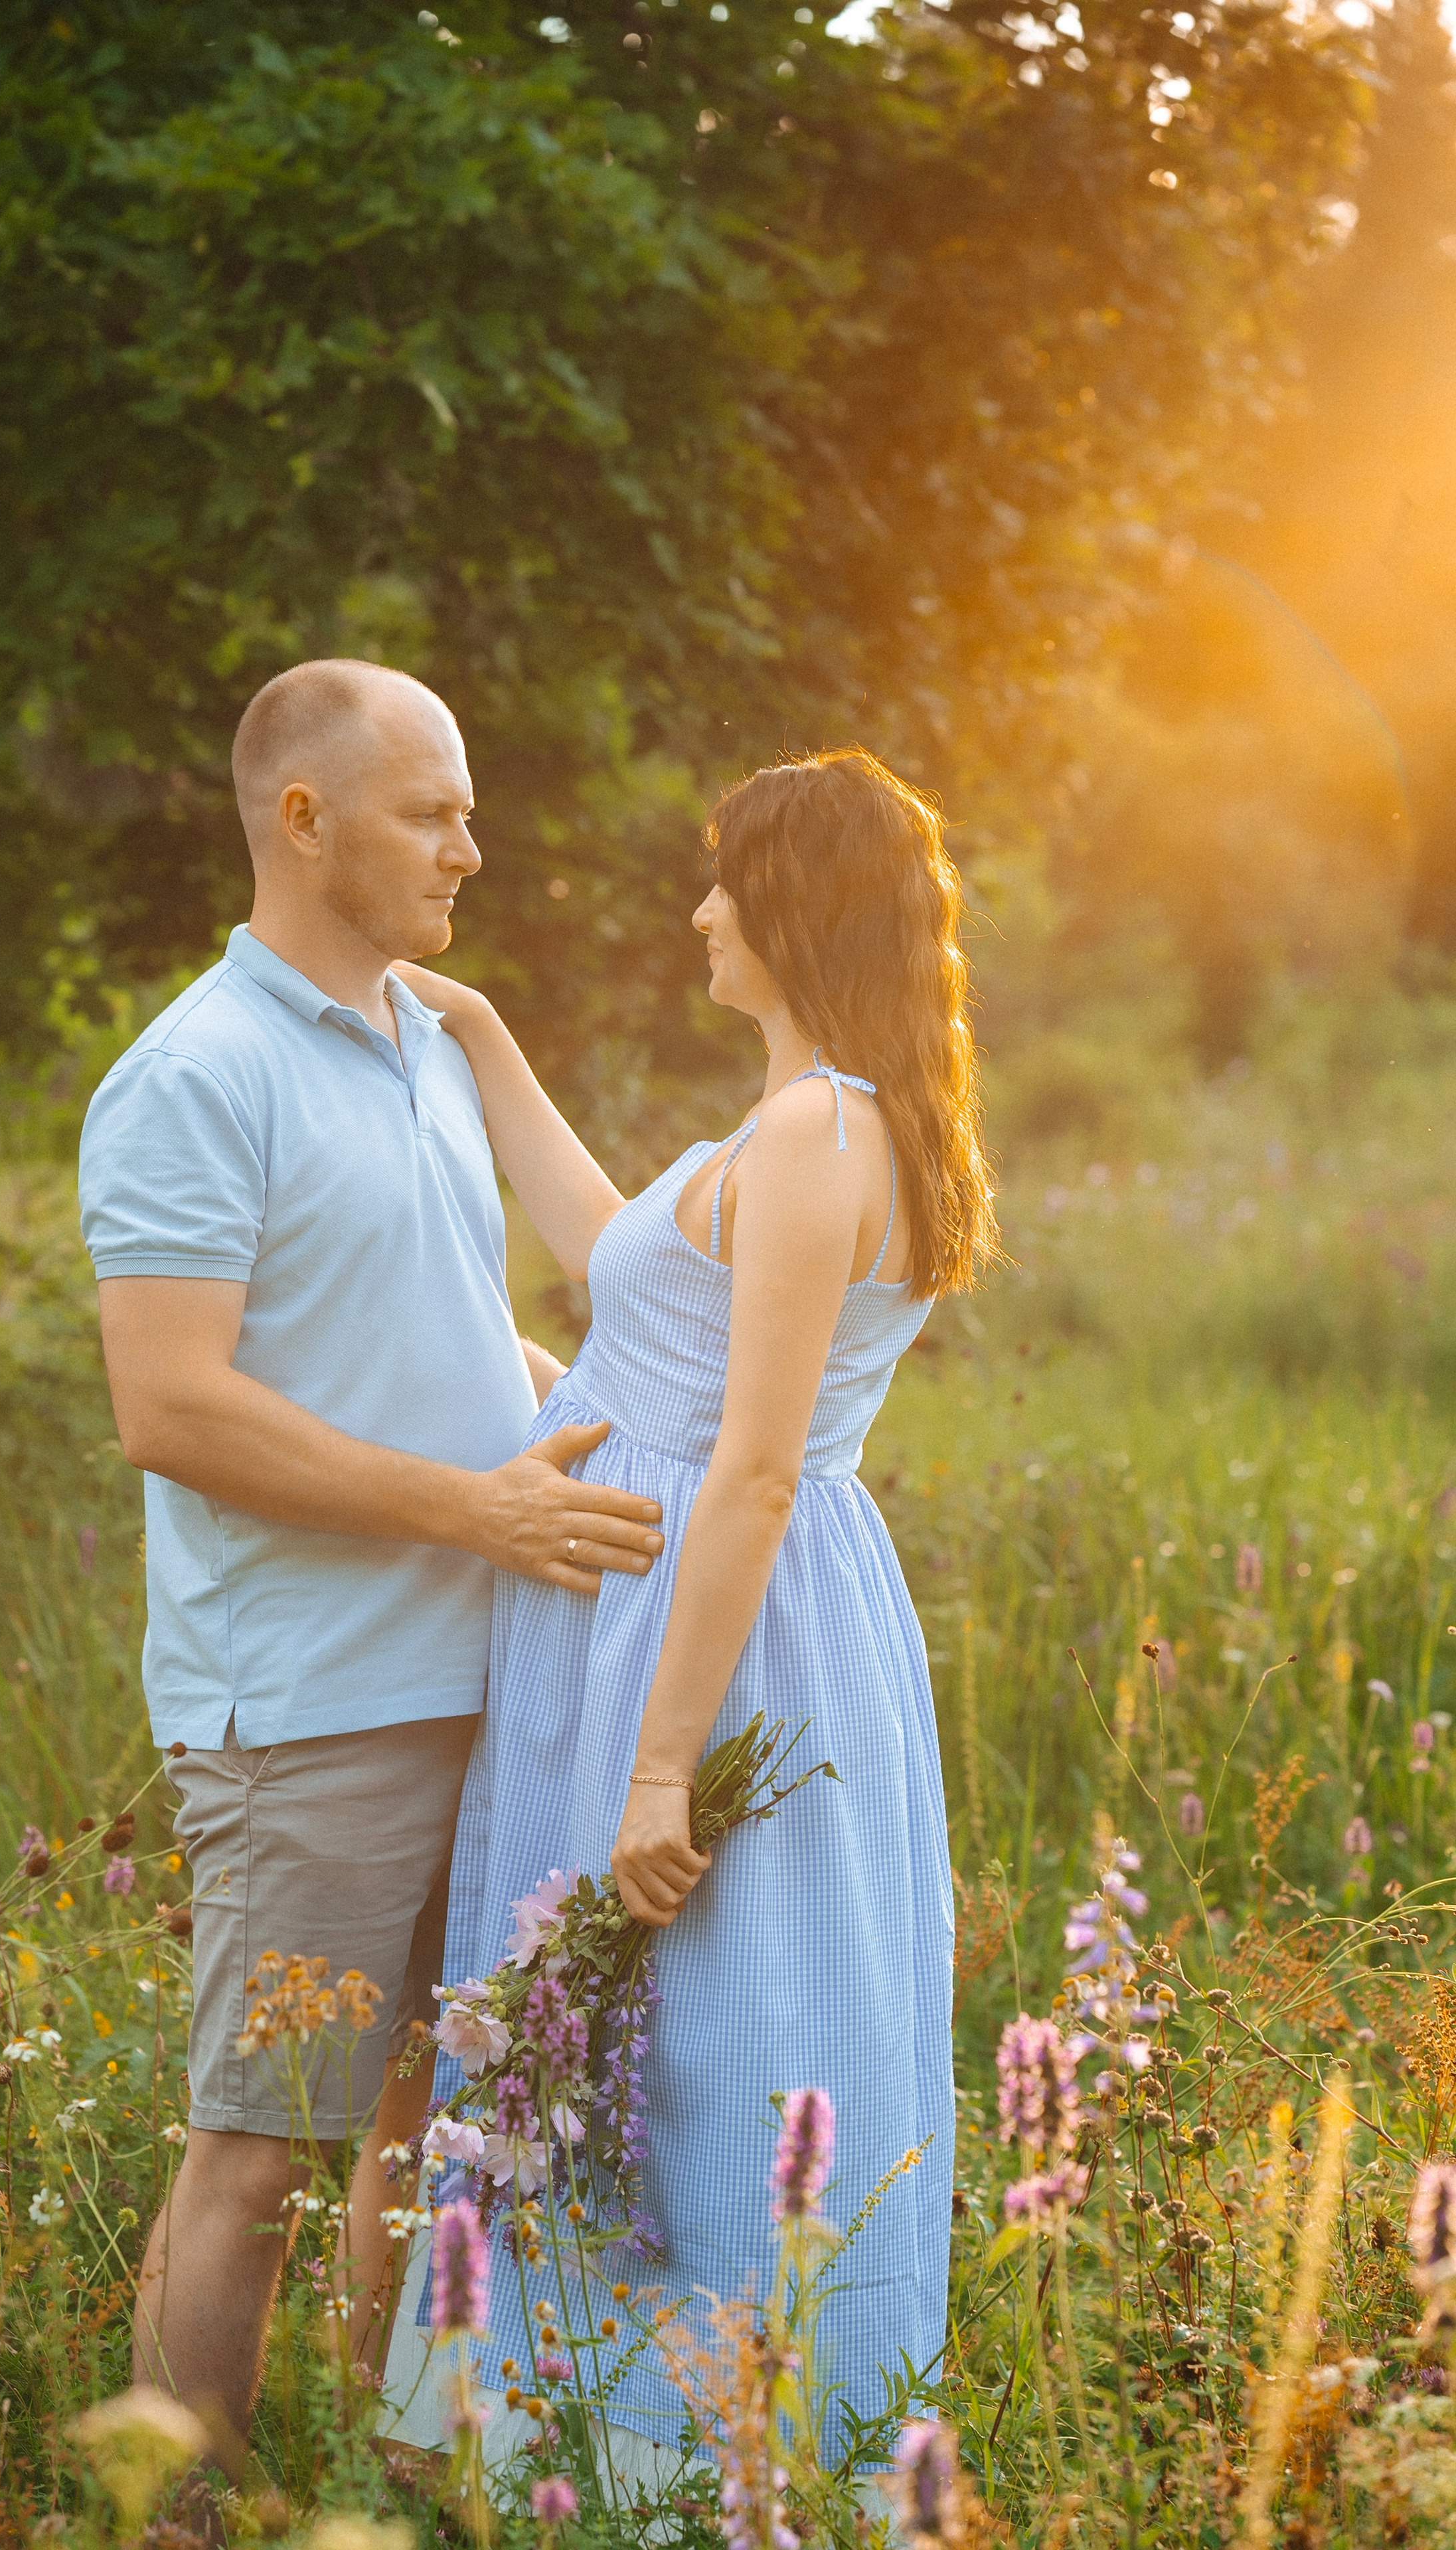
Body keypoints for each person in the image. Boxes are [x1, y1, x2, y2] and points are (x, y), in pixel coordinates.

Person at [76, 659, 666, 2484]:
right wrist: (473, 1508)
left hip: (488, 1681)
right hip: (316, 1707)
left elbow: (405, 1310)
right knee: (261, 2151)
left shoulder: (423, 1037)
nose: (472, 848)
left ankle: (382, 2502)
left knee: (427, 2141)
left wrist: (551, 1397)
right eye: (433, 811)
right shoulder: (194, 1076)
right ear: (304, 818)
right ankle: (159, 2524)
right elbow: (173, 1408)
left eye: (469, 808)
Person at [403, 747, 995, 2456]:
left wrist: (662, 1772)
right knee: (640, 2042)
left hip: (714, 1633)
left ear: (790, 907)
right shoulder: (807, 1120)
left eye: (725, 878)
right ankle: (607, 2445)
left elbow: (747, 1471)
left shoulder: (820, 1136)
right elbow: (614, 1271)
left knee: (717, 2046)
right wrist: (484, 1037)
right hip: (668, 1611)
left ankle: (701, 2456)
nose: (700, 909)